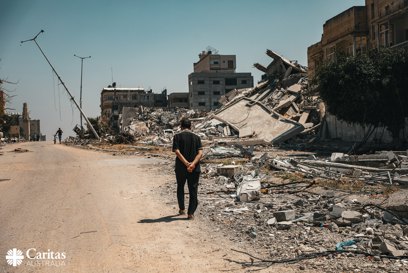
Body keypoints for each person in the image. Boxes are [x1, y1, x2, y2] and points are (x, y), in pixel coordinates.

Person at [172, 118, 203, 220]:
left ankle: (182, 209)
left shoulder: (177, 137)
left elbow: (177, 151)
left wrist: (186, 164)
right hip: (194, 168)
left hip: (181, 168)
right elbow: (200, 153)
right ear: (190, 126)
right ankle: (190, 214)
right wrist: (192, 164)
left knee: (180, 187)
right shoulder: (197, 138)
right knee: (193, 189)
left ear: (181, 126)